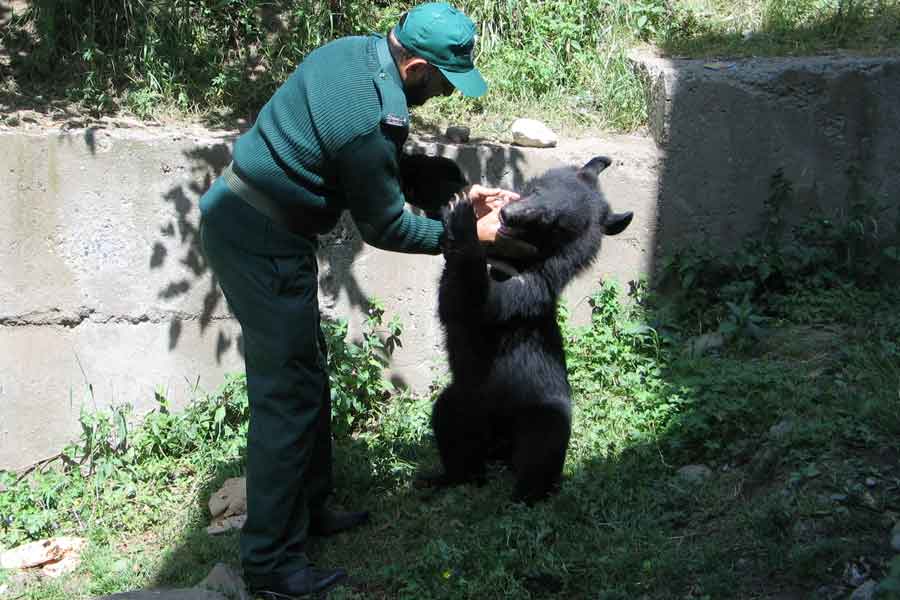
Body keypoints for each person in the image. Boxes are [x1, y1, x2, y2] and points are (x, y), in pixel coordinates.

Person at [198, 3, 518, 598]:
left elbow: (385, 165)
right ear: (418, 67)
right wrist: (465, 239)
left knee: (304, 377)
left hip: (263, 226)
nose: (445, 94)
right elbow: (387, 225)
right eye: (444, 82)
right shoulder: (370, 116)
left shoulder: (357, 56)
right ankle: (270, 565)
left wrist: (458, 191)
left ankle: (310, 507)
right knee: (285, 397)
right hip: (256, 236)